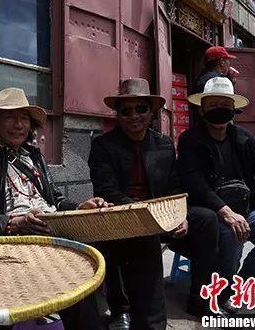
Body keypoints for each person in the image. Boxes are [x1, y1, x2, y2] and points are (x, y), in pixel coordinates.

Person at [0, 87, 110, 329]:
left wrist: (79, 207)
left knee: (91, 259)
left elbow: (54, 199)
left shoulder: (35, 157)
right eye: (10, 117)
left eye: (24, 118)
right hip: (16, 239)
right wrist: (14, 222)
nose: (18, 125)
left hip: (52, 228)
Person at [88, 78, 219, 327]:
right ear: (118, 115)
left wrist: (179, 215)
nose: (134, 116)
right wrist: (147, 214)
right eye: (126, 111)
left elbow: (175, 187)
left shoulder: (163, 144)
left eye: (141, 109)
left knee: (207, 220)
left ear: (151, 112)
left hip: (162, 212)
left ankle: (201, 298)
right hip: (123, 215)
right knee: (131, 233)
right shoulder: (103, 146)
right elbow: (107, 190)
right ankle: (125, 311)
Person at [177, 77, 255, 313]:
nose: (218, 109)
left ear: (233, 109)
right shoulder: (190, 140)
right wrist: (226, 212)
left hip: (247, 210)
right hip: (212, 212)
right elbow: (195, 183)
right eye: (212, 105)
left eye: (224, 104)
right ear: (202, 109)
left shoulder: (243, 138)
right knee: (232, 232)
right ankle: (224, 290)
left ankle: (246, 282)